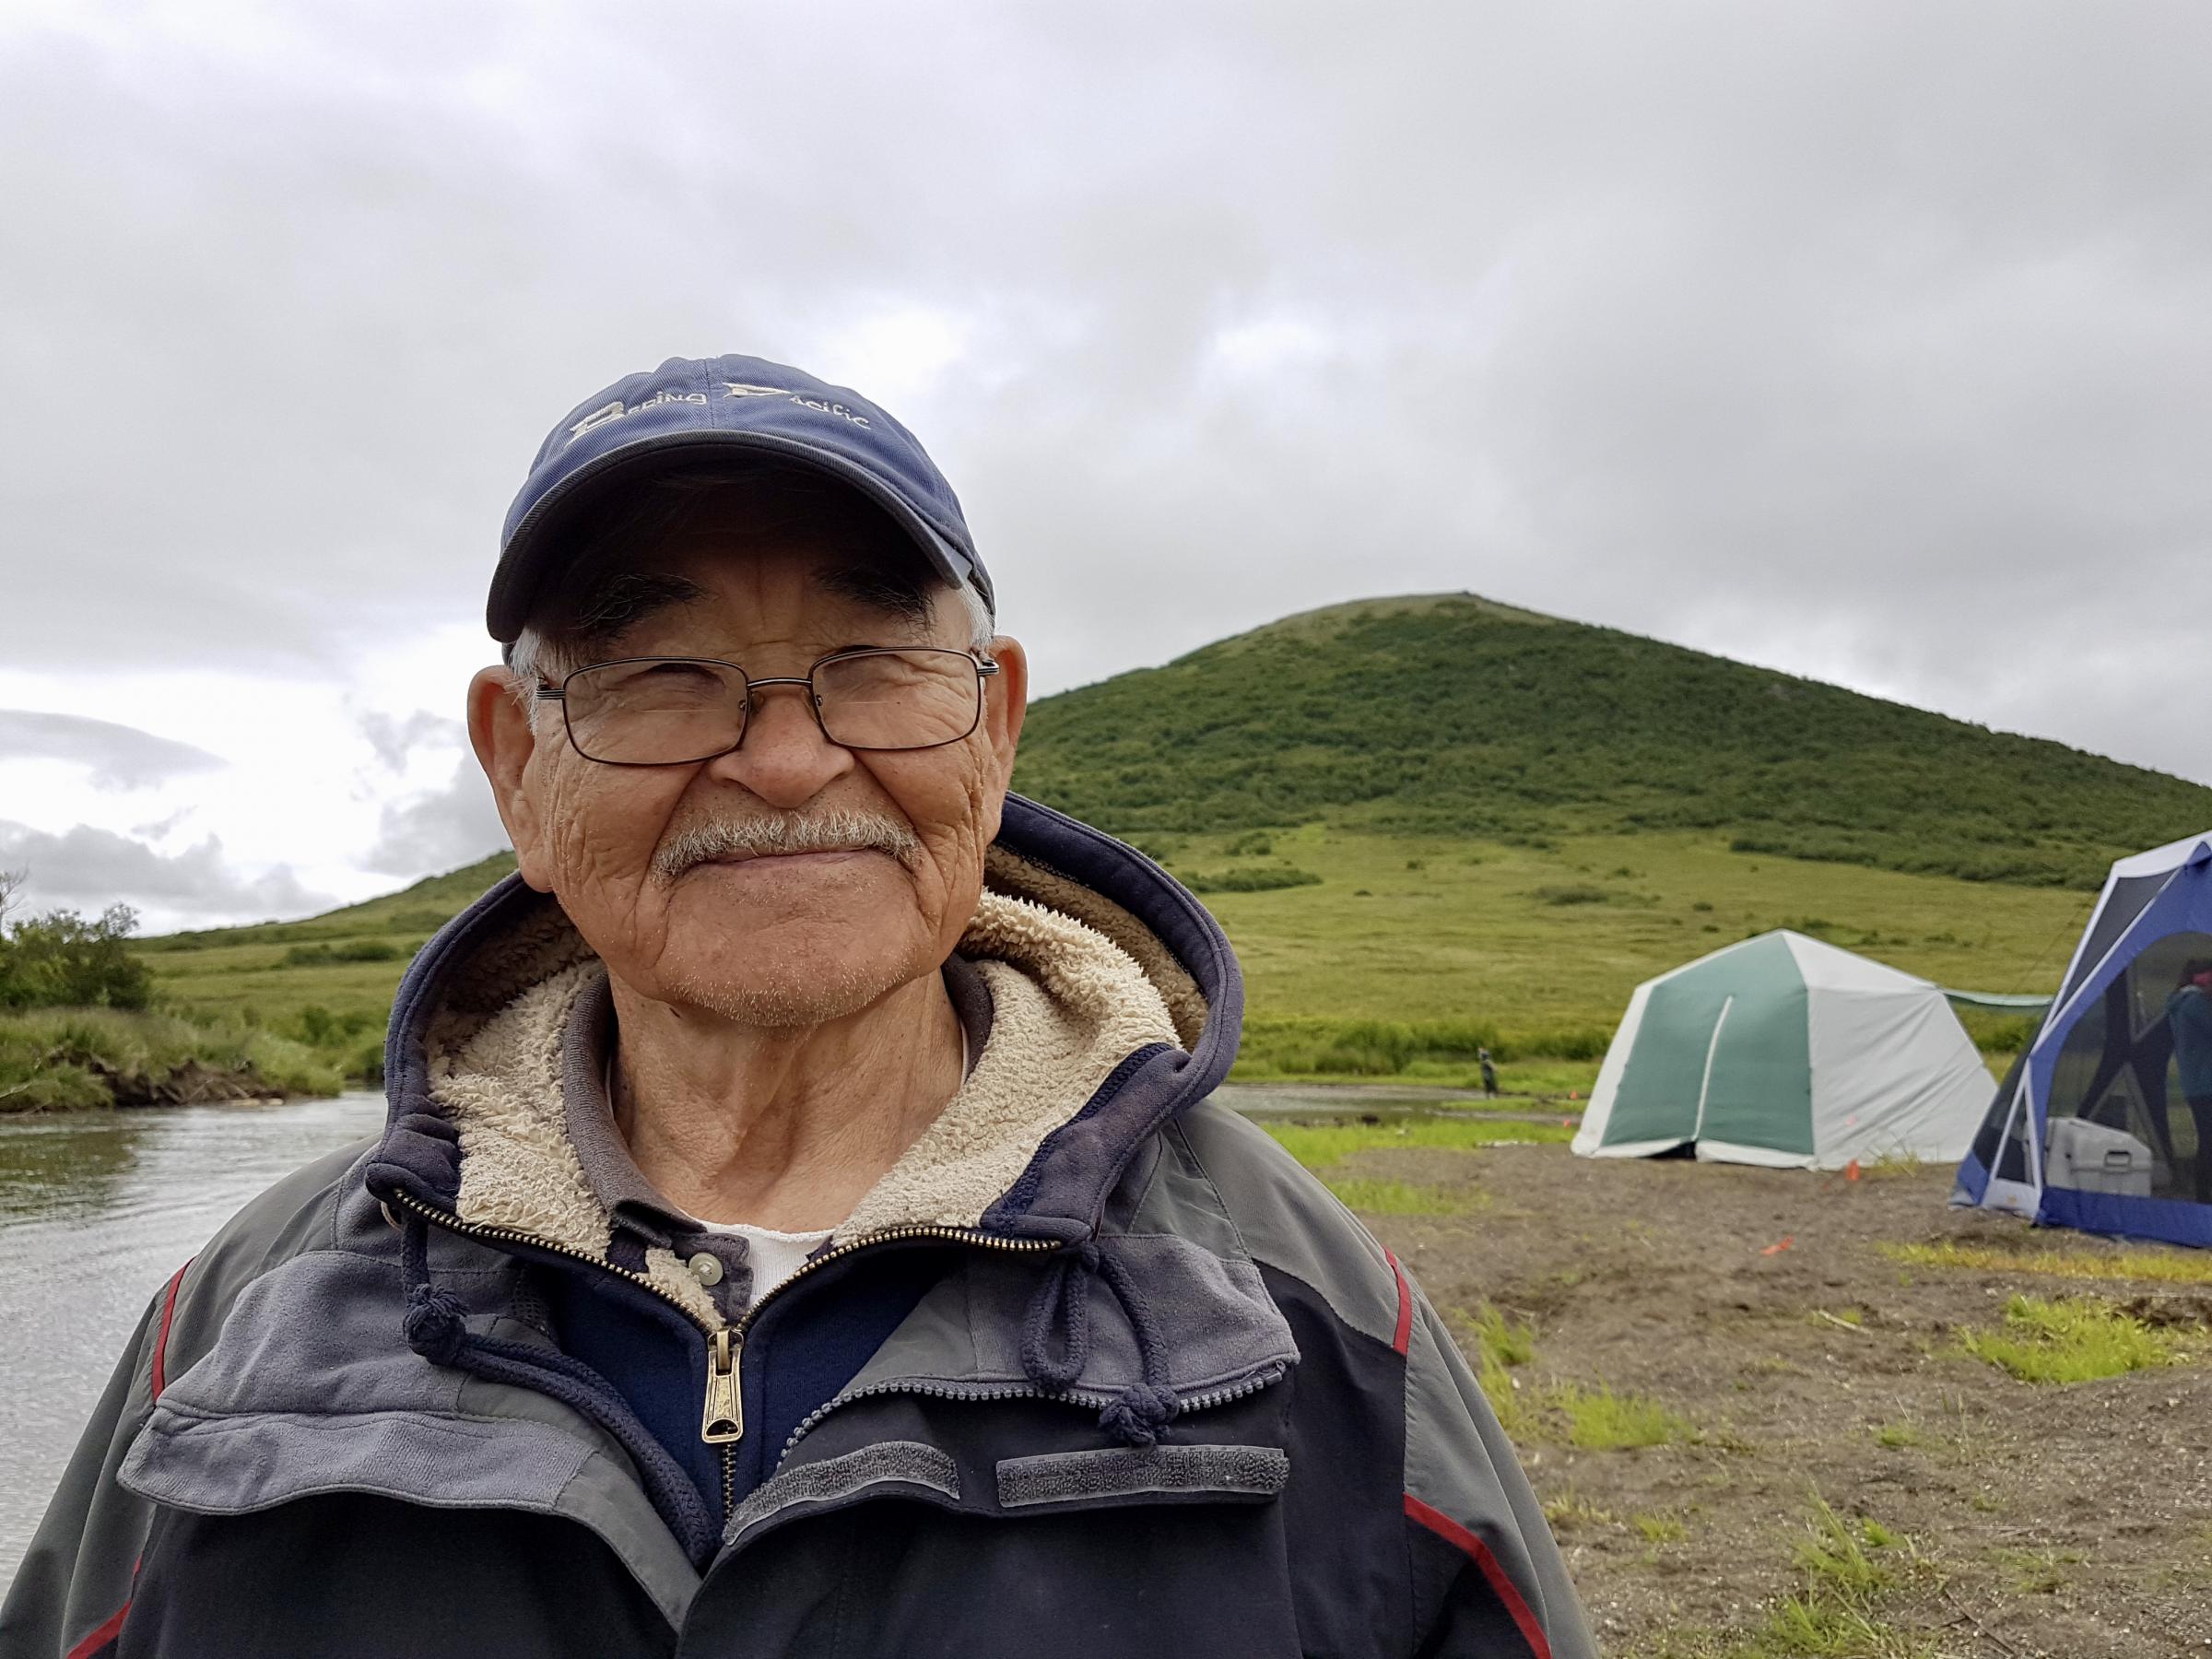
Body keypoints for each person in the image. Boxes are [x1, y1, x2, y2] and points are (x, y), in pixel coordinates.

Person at [2, 355, 1594, 1659]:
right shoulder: (246, 1320)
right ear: (515, 767)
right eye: (657, 677)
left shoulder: (1309, 1315)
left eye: (872, 662)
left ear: (997, 724)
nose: (780, 762)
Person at [2169, 958, 2212, 1202]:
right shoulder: (2195, 1002)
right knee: (2208, 1140)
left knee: (2206, 1138)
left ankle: (2203, 1194)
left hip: (2196, 1084)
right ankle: (2204, 1195)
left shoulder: (2181, 1002)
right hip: (2206, 1082)